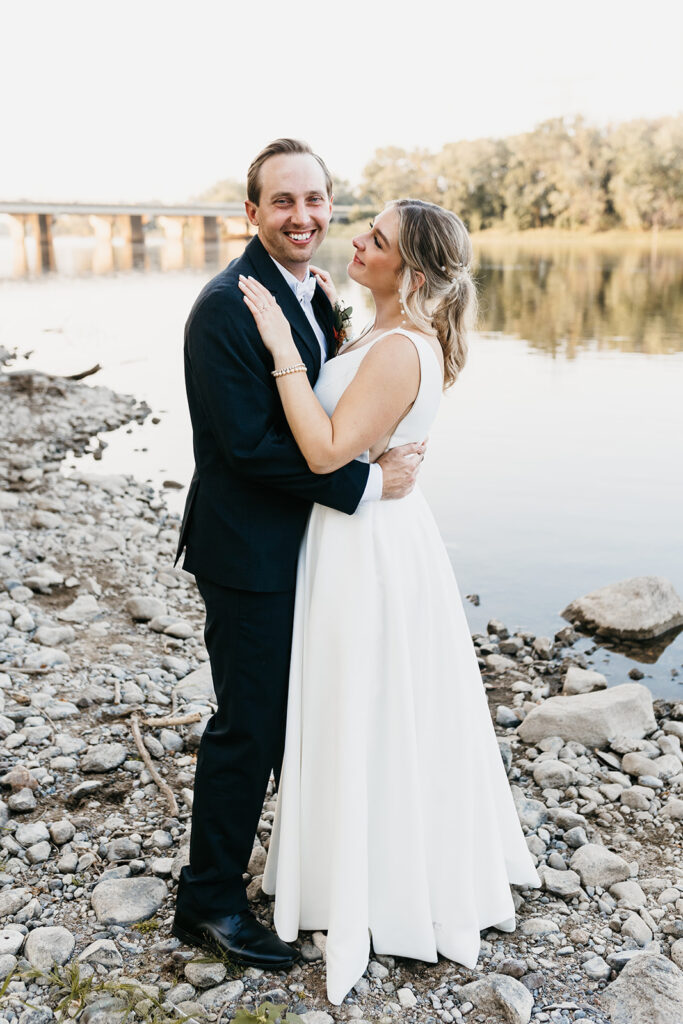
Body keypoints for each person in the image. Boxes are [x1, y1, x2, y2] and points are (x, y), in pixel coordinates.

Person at [238, 197, 542, 1003]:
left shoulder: (400, 348)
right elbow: (359, 450)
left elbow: (329, 447)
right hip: (360, 528)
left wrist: (281, 350)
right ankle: (345, 860)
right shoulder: (373, 333)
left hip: (368, 546)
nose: (355, 243)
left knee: (366, 700)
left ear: (410, 271)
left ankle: (381, 883)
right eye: (363, 231)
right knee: (354, 698)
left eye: (374, 240)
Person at [172, 139, 424, 968]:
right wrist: (363, 486)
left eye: (314, 199)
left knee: (294, 721)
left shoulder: (313, 295)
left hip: (305, 549)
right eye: (281, 202)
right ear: (250, 213)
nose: (302, 216)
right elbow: (244, 447)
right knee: (248, 727)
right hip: (247, 551)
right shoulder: (223, 308)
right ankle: (207, 903)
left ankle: (303, 868)